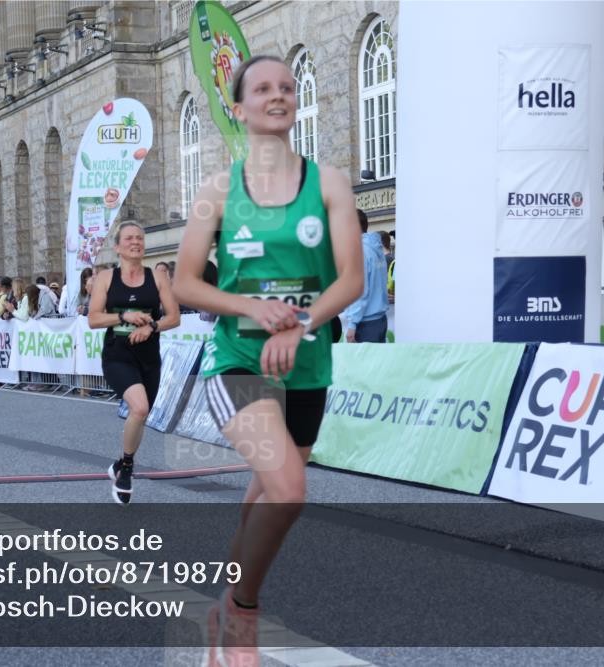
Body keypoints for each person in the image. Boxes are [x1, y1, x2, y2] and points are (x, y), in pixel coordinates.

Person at [172, 55, 363, 665]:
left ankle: (223, 599)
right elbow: (183, 284)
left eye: (286, 86)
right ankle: (241, 613)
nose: (277, 95)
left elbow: (351, 281)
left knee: (263, 492)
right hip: (238, 360)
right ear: (239, 107)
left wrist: (303, 320)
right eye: (262, 88)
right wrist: (252, 309)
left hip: (307, 365)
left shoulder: (328, 182)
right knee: (287, 490)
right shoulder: (218, 191)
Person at [88, 221, 179, 504]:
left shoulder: (158, 277)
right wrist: (123, 317)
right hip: (118, 354)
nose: (136, 242)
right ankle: (127, 468)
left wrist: (151, 326)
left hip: (149, 356)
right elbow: (93, 319)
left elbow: (173, 317)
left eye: (140, 237)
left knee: (142, 414)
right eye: (129, 238)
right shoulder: (105, 278)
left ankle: (120, 463)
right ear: (117, 246)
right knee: (138, 406)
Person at [345, 208, 389, 343]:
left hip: (365, 324)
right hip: (379, 319)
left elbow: (360, 291)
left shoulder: (359, 251)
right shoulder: (375, 248)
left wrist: (352, 324)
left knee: (360, 364)